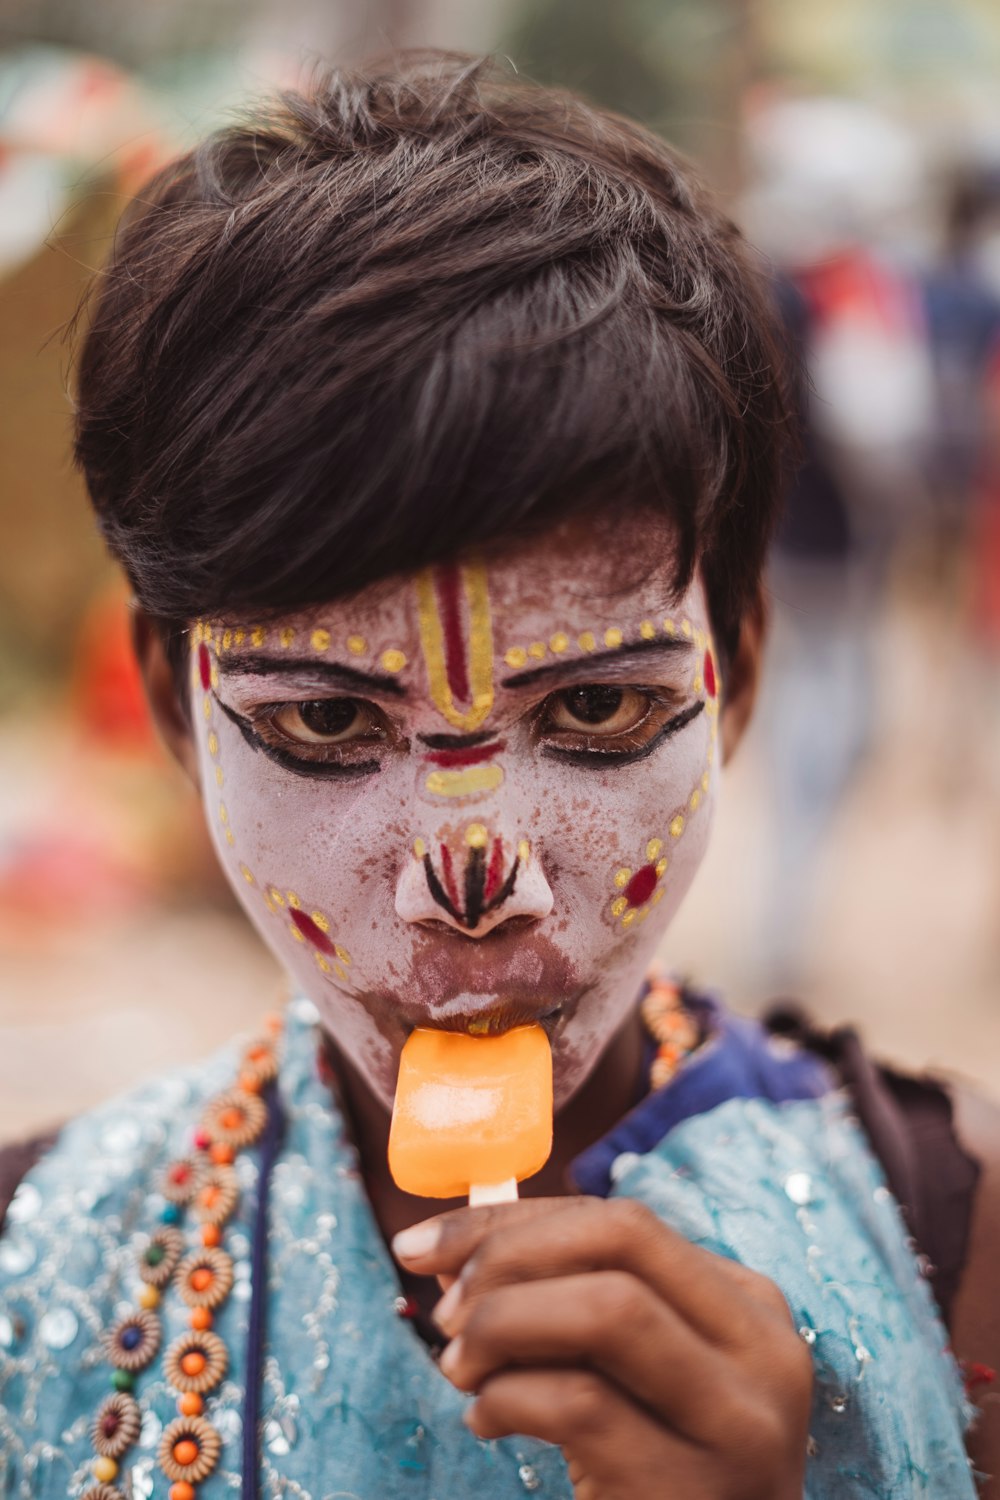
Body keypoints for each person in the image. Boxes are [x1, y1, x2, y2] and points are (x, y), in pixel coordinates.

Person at [0, 51, 997, 1500]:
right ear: (174, 702)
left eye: (594, 702)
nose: (473, 877)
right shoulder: (34, 1260)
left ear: (743, 676)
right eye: (332, 726)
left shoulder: (958, 1238)